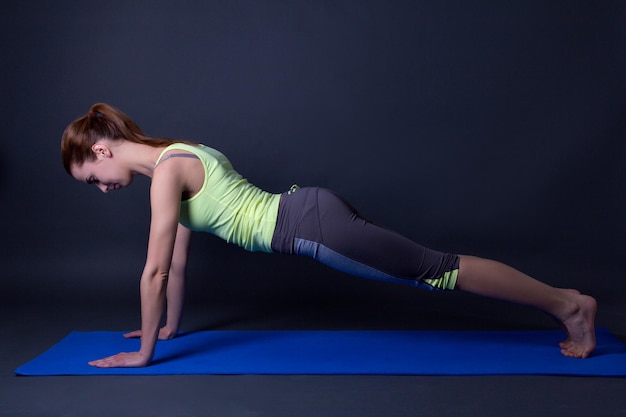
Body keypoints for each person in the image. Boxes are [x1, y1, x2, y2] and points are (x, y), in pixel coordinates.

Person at [60, 103, 597, 367]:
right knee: (437, 269)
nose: (103, 189)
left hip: (313, 229)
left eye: (93, 180)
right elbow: (174, 264)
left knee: (440, 270)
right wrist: (169, 330)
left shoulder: (169, 169)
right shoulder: (171, 161)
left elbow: (151, 270)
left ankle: (569, 306)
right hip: (312, 213)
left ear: (100, 151)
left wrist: (144, 354)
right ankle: (566, 305)